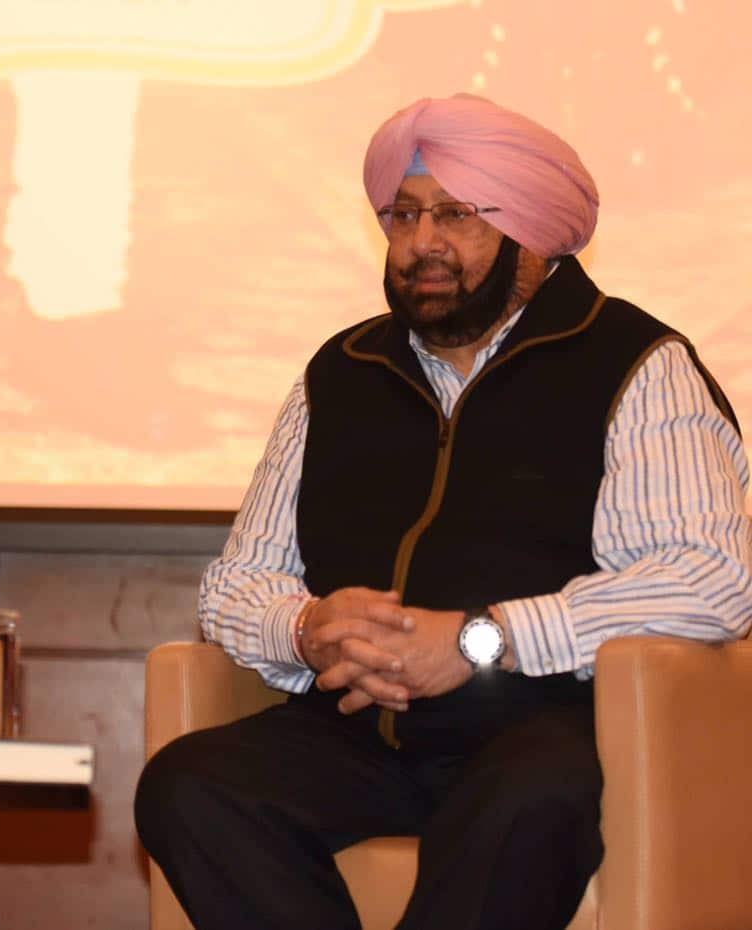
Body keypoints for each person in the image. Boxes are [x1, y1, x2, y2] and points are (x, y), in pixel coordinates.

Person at [135, 94, 752, 930]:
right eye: (403, 215)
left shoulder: (638, 364)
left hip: (542, 724)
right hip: (358, 730)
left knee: (527, 804)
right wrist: (308, 629)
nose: (421, 243)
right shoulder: (342, 372)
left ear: (534, 232)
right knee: (191, 787)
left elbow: (711, 580)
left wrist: (477, 641)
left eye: (455, 215)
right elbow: (239, 582)